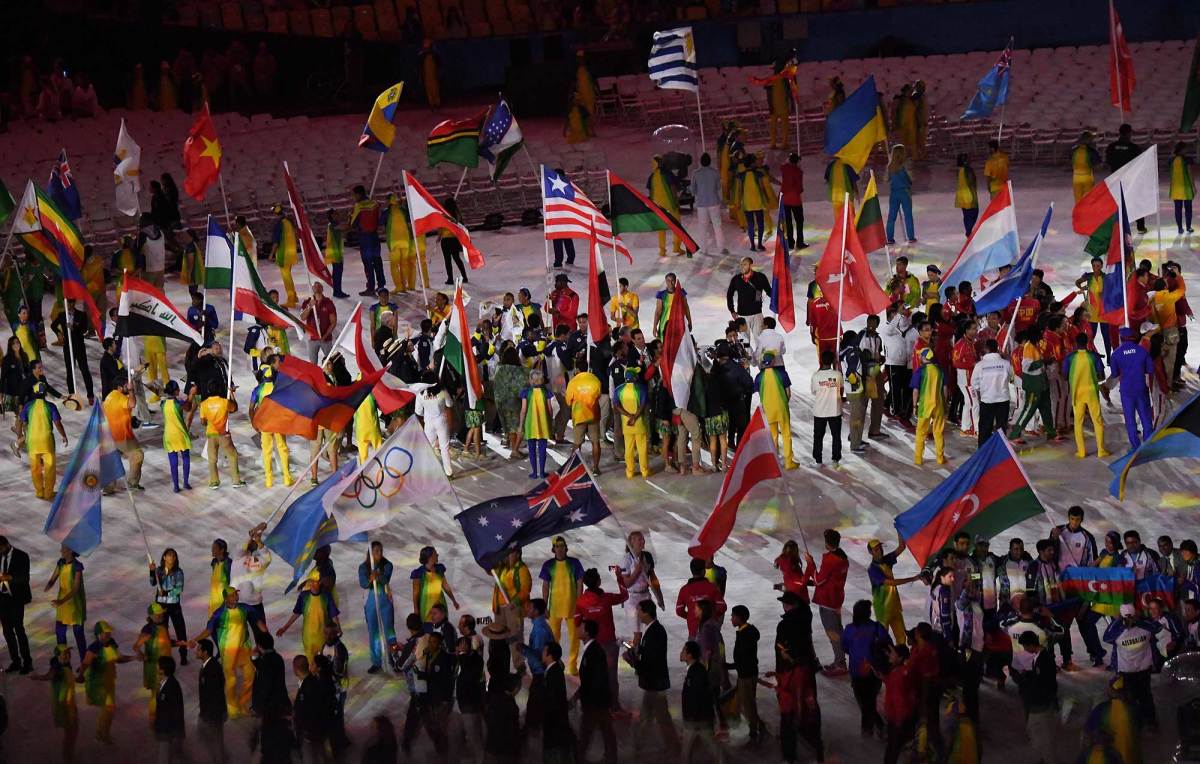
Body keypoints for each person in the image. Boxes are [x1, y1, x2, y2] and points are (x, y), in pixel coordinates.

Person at [187, 586, 266, 719]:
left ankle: (241, 703)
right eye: (232, 595)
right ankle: (232, 707)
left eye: (236, 595)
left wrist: (265, 633)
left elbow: (258, 620)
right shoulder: (219, 613)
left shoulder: (245, 608)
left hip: (244, 648)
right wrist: (195, 640)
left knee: (250, 676)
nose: (235, 597)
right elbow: (208, 630)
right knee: (231, 680)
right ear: (226, 599)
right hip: (228, 650)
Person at [770, 590, 824, 762]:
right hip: (806, 669)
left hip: (791, 673)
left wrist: (780, 672)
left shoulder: (785, 625)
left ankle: (789, 754)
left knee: (788, 713)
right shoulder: (805, 618)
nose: (784, 606)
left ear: (791, 606)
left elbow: (781, 650)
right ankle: (816, 745)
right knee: (810, 705)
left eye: (786, 603)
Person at [627, 600, 679, 754]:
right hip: (652, 683)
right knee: (648, 715)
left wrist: (633, 661)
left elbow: (652, 660)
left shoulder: (655, 632)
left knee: (661, 716)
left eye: (640, 611)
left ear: (647, 612)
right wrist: (635, 650)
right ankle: (640, 744)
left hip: (655, 683)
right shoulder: (653, 630)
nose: (638, 614)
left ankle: (673, 746)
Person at [1103, 603, 1159, 730]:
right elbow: (1156, 627)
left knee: (1130, 698)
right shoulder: (1146, 629)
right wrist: (1141, 619)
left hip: (1126, 671)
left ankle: (1135, 724)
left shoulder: (1117, 634)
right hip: (1144, 668)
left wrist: (1117, 621)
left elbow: (1106, 638)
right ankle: (1151, 722)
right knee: (1146, 696)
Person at [77, 620, 133, 744]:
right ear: (98, 634)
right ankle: (102, 735)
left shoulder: (112, 643)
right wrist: (80, 676)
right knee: (108, 709)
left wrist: (133, 658)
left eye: (109, 632)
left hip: (109, 681)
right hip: (98, 683)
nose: (108, 634)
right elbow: (85, 663)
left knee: (108, 709)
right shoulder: (93, 648)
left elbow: (119, 659)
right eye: (105, 633)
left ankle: (101, 734)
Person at [1009, 630, 1059, 763]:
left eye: (1025, 646)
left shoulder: (1044, 660)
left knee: (1039, 734)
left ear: (1031, 645)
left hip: (1041, 703)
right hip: (1042, 701)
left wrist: (1023, 682)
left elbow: (1044, 683)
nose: (1024, 649)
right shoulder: (1038, 656)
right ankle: (1044, 758)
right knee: (1041, 733)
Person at [806, 529, 850, 676]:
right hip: (836, 599)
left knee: (833, 634)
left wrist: (810, 564)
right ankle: (839, 660)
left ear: (827, 543)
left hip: (827, 601)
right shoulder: (842, 557)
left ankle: (841, 664)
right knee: (838, 631)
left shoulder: (831, 559)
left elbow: (819, 580)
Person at [539, 536, 584, 675]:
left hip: (572, 607)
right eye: (557, 546)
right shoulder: (548, 565)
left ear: (566, 547)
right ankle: (555, 664)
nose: (559, 548)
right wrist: (544, 605)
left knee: (575, 638)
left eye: (562, 545)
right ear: (553, 549)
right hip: (554, 609)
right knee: (553, 639)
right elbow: (545, 586)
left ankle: (572, 665)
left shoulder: (575, 563)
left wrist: (579, 603)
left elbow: (580, 583)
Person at [1062, 332, 1110, 459]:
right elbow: (1101, 374)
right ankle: (1101, 450)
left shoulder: (1069, 358)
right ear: (1087, 342)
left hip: (1077, 394)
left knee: (1078, 422)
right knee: (1098, 421)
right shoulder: (1093, 357)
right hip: (1092, 393)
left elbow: (1064, 376)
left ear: (1076, 343)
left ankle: (1081, 451)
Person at [17, 380, 67, 500]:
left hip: (32, 442)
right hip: (47, 442)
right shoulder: (50, 406)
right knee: (49, 468)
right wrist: (64, 435)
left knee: (35, 468)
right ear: (45, 394)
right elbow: (58, 423)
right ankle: (49, 493)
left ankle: (39, 492)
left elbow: (21, 421)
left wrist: (20, 436)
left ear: (34, 393)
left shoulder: (28, 406)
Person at [277, 570, 340, 664]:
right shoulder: (304, 596)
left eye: (316, 582)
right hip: (308, 637)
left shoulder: (326, 596)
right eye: (311, 582)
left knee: (323, 662)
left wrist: (338, 628)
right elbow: (296, 613)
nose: (313, 584)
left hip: (323, 636)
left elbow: (333, 614)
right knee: (311, 662)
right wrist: (285, 627)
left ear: (320, 582)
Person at [29, 643, 78, 762]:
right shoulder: (57, 668)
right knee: (71, 733)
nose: (67, 655)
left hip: (69, 702)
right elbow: (49, 676)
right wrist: (37, 677)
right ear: (57, 656)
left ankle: (68, 755)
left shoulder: (65, 665)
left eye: (68, 652)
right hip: (64, 705)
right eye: (64, 653)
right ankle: (67, 757)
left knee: (73, 731)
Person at [1108, 326, 1154, 448]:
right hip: (1141, 389)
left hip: (1126, 391)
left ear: (1121, 338)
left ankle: (1135, 446)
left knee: (1130, 420)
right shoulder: (1142, 351)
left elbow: (1114, 374)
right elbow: (1150, 369)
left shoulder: (1116, 354)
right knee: (1146, 417)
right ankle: (1148, 444)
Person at [867, 537, 918, 645]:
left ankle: (901, 658)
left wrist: (898, 528)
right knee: (882, 639)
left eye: (880, 548)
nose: (880, 551)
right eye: (876, 550)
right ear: (871, 552)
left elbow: (901, 547)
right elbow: (891, 582)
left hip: (895, 606)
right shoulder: (873, 569)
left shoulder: (886, 560)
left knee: (901, 637)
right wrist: (912, 579)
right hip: (883, 610)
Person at [102, 372, 144, 491]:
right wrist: (131, 392)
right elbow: (132, 403)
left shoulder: (109, 397)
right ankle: (132, 483)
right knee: (137, 455)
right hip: (122, 436)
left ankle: (108, 487)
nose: (129, 387)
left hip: (109, 435)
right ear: (120, 387)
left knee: (112, 459)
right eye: (126, 385)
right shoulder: (121, 397)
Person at [360, 541, 398, 674]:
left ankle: (393, 658)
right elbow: (363, 584)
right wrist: (371, 579)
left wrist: (378, 575)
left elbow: (385, 579)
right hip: (371, 602)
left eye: (381, 550)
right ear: (370, 553)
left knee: (389, 630)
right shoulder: (363, 567)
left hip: (385, 601)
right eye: (376, 551)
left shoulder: (387, 565)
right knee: (374, 632)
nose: (380, 553)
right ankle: (376, 661)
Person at [199, 380, 245, 488]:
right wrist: (232, 394)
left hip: (211, 434)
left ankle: (214, 481)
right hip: (224, 434)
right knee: (232, 456)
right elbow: (235, 408)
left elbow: (203, 422)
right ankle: (236, 481)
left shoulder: (204, 404)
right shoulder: (224, 402)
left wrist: (209, 423)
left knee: (212, 459)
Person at [46, 544, 87, 658]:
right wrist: (49, 584)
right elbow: (54, 578)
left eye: (63, 549)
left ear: (70, 550)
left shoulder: (77, 566)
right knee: (60, 634)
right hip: (62, 604)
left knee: (79, 635)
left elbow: (75, 589)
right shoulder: (60, 562)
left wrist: (61, 601)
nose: (61, 551)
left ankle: (85, 663)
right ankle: (62, 662)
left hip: (75, 605)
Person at [149, 548, 188, 664]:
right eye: (169, 555)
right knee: (162, 631)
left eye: (174, 556)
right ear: (164, 557)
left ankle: (183, 654)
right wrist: (152, 571)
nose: (172, 558)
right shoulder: (159, 571)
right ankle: (164, 655)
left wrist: (167, 592)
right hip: (161, 606)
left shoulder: (178, 572)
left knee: (180, 630)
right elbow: (152, 583)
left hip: (173, 604)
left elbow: (179, 589)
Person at [970, 338, 1012, 446]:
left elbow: (974, 384)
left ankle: (983, 451)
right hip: (1003, 399)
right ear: (997, 348)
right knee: (1001, 428)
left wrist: (984, 389)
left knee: (985, 427)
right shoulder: (1006, 364)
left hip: (987, 399)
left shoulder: (980, 365)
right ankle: (1000, 450)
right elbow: (1010, 378)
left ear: (985, 349)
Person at [1106, 123, 1147, 232]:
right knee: (1136, 202)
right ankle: (1140, 227)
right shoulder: (1134, 147)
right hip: (1130, 179)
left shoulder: (1111, 147)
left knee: (1117, 203)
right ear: (1129, 133)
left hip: (1116, 179)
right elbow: (1139, 163)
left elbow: (1108, 161)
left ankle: (1117, 226)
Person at [0, 537, 32, 675]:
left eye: (0, 549)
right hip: (1, 600)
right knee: (7, 632)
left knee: (19, 630)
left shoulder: (22, 556)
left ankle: (27, 663)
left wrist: (10, 578)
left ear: (6, 545)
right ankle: (16, 661)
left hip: (16, 599)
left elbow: (24, 578)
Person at [910, 348, 947, 465]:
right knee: (938, 433)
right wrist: (944, 404)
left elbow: (915, 390)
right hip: (939, 405)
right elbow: (945, 389)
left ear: (925, 358)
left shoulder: (920, 371)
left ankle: (918, 459)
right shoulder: (940, 371)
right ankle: (940, 458)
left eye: (921, 356)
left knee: (920, 433)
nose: (920, 357)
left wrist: (914, 406)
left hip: (925, 406)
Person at [676, 557, 727, 639]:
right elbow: (722, 607)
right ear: (704, 571)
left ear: (691, 571)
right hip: (710, 631)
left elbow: (679, 611)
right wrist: (712, 616)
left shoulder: (684, 589)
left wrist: (690, 616)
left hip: (693, 632)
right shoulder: (712, 587)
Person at [614, 366, 650, 479]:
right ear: (634, 377)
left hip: (627, 424)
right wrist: (635, 417)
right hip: (639, 423)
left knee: (628, 448)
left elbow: (616, 405)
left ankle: (630, 472)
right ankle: (644, 471)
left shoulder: (618, 389)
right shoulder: (641, 388)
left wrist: (629, 416)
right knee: (642, 447)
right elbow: (643, 405)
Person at [727, 257, 772, 346]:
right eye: (741, 265)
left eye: (745, 264)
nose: (742, 267)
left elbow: (769, 291)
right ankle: (747, 359)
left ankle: (760, 359)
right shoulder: (736, 279)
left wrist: (778, 300)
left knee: (760, 341)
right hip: (742, 316)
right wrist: (731, 310)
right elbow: (729, 294)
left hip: (757, 314)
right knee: (744, 343)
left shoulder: (760, 277)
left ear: (751, 265)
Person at [541, 642, 575, 762]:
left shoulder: (553, 673)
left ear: (549, 655)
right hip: (556, 721)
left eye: (544, 651)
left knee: (555, 752)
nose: (542, 653)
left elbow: (553, 699)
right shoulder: (554, 670)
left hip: (554, 722)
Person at [195, 638, 227, 764]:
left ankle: (220, 759)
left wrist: (208, 714)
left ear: (205, 652)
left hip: (214, 713)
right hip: (211, 711)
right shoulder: (208, 665)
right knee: (215, 740)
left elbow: (214, 694)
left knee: (216, 741)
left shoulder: (212, 669)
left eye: (198, 650)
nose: (196, 652)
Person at [159, 380, 195, 492]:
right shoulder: (178, 403)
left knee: (173, 462)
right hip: (180, 434)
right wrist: (191, 395)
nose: (179, 390)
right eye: (178, 389)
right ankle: (185, 483)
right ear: (175, 391)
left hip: (169, 435)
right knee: (185, 458)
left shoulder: (162, 404)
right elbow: (188, 408)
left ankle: (175, 486)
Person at [350, 185, 386, 295]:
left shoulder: (359, 206)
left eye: (354, 195)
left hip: (365, 238)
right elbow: (379, 220)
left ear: (359, 194)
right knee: (377, 261)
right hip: (374, 237)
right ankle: (381, 285)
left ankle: (370, 287)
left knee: (368, 264)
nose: (353, 197)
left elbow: (353, 223)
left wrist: (350, 216)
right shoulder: (374, 203)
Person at [519, 367, 553, 479]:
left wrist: (520, 425)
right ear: (541, 380)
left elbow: (523, 410)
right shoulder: (546, 393)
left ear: (531, 380)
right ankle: (542, 473)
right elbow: (550, 410)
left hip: (530, 425)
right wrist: (550, 421)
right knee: (543, 448)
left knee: (532, 449)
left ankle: (534, 473)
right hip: (543, 425)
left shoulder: (526, 393)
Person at [648, 155, 684, 257]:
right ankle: (676, 247)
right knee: (676, 226)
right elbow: (673, 188)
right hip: (671, 206)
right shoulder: (668, 174)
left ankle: (662, 251)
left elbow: (651, 192)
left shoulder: (652, 176)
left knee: (661, 229)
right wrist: (676, 201)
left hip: (658, 208)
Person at [692, 152, 727, 255]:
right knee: (717, 225)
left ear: (701, 162)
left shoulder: (696, 173)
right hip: (714, 202)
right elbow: (718, 187)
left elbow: (693, 189)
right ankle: (721, 247)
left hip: (701, 203)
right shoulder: (715, 172)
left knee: (703, 226)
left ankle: (704, 249)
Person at [736, 154, 771, 251]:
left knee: (750, 224)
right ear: (752, 163)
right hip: (758, 202)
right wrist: (767, 198)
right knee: (760, 223)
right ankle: (759, 244)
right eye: (755, 161)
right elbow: (762, 188)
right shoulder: (758, 174)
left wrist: (739, 202)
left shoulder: (741, 175)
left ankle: (752, 245)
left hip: (747, 203)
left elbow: (739, 191)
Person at [153, 655, 186, 760]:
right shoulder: (164, 683)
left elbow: (177, 711)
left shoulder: (172, 687)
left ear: (162, 670)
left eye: (157, 666)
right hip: (165, 728)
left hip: (168, 730)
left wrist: (175, 733)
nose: (155, 667)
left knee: (164, 757)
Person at [885, 144, 916, 244]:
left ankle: (889, 238)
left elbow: (887, 179)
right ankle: (910, 237)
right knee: (908, 215)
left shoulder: (890, 167)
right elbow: (910, 180)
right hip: (904, 192)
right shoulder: (905, 166)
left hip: (894, 193)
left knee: (892, 216)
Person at [300, 282, 337, 364]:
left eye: (319, 286)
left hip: (326, 339)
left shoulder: (328, 303)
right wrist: (309, 306)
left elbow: (333, 322)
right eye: (315, 286)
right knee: (313, 365)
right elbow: (302, 317)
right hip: (312, 339)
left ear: (322, 289)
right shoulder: (307, 302)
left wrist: (325, 336)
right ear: (312, 289)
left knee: (330, 363)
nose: (317, 287)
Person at [1171, 141, 1195, 234]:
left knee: (1178, 209)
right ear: (1182, 149)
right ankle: (1188, 227)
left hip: (1175, 188)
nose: (1187, 150)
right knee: (1188, 208)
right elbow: (1190, 173)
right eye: (1186, 148)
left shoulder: (1171, 160)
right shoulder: (1187, 159)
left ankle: (1180, 228)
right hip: (1186, 187)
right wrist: (1193, 186)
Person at [954, 153, 979, 236]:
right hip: (969, 195)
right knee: (974, 212)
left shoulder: (958, 170)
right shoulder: (968, 170)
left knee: (966, 215)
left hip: (960, 195)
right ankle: (968, 231)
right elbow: (971, 181)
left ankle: (968, 230)